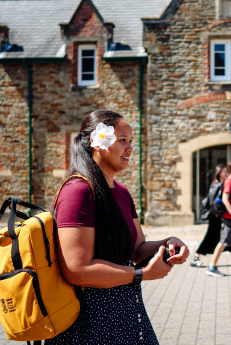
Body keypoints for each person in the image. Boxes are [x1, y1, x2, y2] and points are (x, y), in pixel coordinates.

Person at [46, 110, 189, 345]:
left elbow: (137, 248)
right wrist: (141, 274)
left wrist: (168, 243)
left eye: (130, 141)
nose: (130, 148)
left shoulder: (121, 192)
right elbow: (77, 269)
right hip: (89, 323)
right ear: (97, 143)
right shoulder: (77, 192)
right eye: (122, 141)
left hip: (127, 313)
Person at [191, 164, 231, 267]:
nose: (226, 173)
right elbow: (216, 202)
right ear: (219, 173)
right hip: (215, 216)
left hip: (218, 216)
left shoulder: (221, 183)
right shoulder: (217, 185)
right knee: (212, 237)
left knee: (224, 238)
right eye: (224, 171)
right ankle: (196, 257)